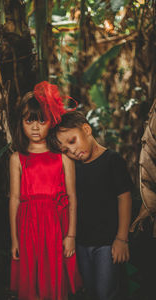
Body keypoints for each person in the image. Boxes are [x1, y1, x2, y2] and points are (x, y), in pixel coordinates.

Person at [49, 111, 133, 300]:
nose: (72, 151)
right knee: (90, 291)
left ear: (86, 129)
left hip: (107, 244)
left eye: (72, 141)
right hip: (81, 243)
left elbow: (125, 198)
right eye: (66, 150)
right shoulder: (74, 168)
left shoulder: (112, 160)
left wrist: (122, 238)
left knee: (106, 293)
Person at [9, 82, 82, 300]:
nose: (35, 127)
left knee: (53, 276)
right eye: (29, 120)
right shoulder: (17, 158)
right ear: (21, 123)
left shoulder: (63, 157)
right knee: (31, 279)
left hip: (55, 225)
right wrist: (14, 240)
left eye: (42, 120)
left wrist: (71, 235)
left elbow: (72, 198)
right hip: (28, 226)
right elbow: (14, 199)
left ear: (51, 122)